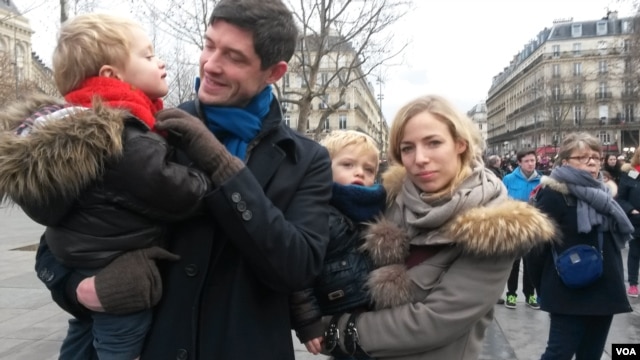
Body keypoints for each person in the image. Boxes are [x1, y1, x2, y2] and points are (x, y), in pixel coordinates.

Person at [33, 1, 333, 359]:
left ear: (274, 72)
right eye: (209, 45)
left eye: (234, 58)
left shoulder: (305, 159)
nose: (211, 65)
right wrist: (78, 289)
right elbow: (59, 240)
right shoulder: (145, 132)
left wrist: (224, 168)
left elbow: (297, 268)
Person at [0, 13, 211, 359]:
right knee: (120, 345)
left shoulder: (72, 130)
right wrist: (207, 168)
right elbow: (180, 194)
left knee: (81, 340)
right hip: (118, 278)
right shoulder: (124, 138)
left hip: (83, 262)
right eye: (147, 55)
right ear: (111, 76)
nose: (160, 62)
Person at [320, 95, 556, 360]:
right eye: (408, 148)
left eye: (433, 143)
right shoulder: (386, 200)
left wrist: (330, 329)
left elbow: (435, 321)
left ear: (460, 145)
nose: (420, 158)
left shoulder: (494, 227)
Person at [527, 132, 633, 359]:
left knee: (591, 355)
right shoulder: (552, 195)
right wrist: (542, 287)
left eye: (596, 156)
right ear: (565, 161)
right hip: (568, 290)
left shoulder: (604, 194)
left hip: (605, 288)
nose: (592, 161)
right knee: (558, 353)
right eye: (583, 157)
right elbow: (535, 248)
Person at [289, 130, 386, 359]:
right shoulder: (317, 213)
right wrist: (308, 321)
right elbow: (299, 272)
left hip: (373, 317)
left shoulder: (378, 208)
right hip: (338, 314)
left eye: (368, 169)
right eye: (348, 164)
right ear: (325, 168)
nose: (359, 172)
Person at [501, 148, 542, 309]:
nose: (531, 164)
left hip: (533, 227)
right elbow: (502, 201)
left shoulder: (542, 180)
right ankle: (511, 294)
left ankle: (530, 294)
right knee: (513, 263)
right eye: (527, 161)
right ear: (519, 162)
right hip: (515, 226)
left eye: (533, 160)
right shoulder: (509, 179)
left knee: (531, 263)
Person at [616, 146, 640, 298]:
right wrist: (631, 210)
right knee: (635, 253)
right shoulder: (630, 174)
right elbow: (621, 198)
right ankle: (633, 284)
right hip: (637, 220)